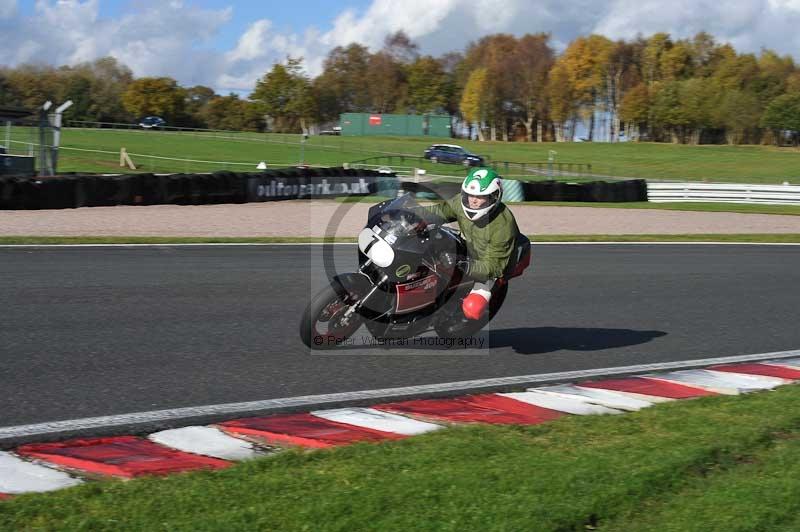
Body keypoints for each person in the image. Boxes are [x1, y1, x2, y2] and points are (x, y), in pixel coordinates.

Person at [418, 167, 522, 333]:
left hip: (491, 267)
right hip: (469, 247)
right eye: (470, 195)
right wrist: (412, 215)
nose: (473, 201)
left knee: (473, 308)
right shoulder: (461, 202)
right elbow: (440, 211)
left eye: (480, 197)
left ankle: (451, 315)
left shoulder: (503, 225)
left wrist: (463, 264)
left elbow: (494, 266)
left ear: (494, 197)